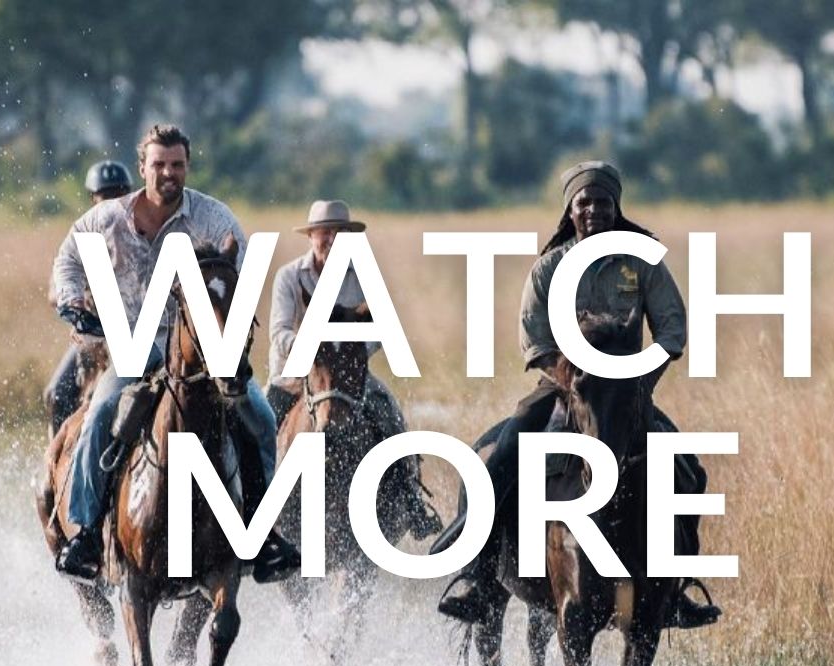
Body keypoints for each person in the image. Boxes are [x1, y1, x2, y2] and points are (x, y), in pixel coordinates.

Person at [437, 161, 721, 629]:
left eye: (603, 202)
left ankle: (675, 589)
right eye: (584, 202)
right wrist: (572, 383)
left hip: (627, 393)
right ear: (570, 210)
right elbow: (534, 341)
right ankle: (480, 580)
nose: (594, 210)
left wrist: (637, 381)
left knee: (688, 471)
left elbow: (672, 329)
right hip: (559, 390)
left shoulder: (642, 262)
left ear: (616, 207)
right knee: (500, 457)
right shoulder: (549, 268)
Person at [50, 123, 298, 583]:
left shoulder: (213, 218)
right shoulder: (105, 220)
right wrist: (72, 299)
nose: (168, 173)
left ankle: (263, 537)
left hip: (201, 349)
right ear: (142, 166)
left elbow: (238, 272)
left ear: (187, 167)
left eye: (177, 165)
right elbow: (68, 262)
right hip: (134, 344)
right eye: (159, 164)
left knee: (260, 418)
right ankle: (86, 534)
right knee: (103, 410)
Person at [267, 200, 441, 539]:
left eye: (339, 233)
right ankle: (251, 513)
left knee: (389, 413)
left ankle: (411, 500)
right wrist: (313, 342)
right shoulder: (288, 277)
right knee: (257, 425)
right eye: (324, 233)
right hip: (293, 377)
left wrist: (347, 348)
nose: (331, 239)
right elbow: (278, 335)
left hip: (347, 377)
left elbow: (382, 332)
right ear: (311, 236)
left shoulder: (364, 277)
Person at [43, 160, 135, 437]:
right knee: (57, 394)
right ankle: (55, 473)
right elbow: (54, 290)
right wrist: (76, 300)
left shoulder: (143, 233)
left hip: (138, 335)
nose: (111, 200)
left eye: (118, 193)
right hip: (94, 335)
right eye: (105, 195)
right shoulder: (80, 237)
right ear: (93, 198)